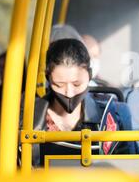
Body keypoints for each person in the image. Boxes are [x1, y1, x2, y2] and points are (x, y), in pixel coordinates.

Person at [21, 39, 129, 167]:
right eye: (59, 85)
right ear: (48, 78)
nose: (69, 93)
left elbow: (124, 167)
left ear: (89, 76)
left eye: (77, 84)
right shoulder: (30, 117)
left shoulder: (108, 116)